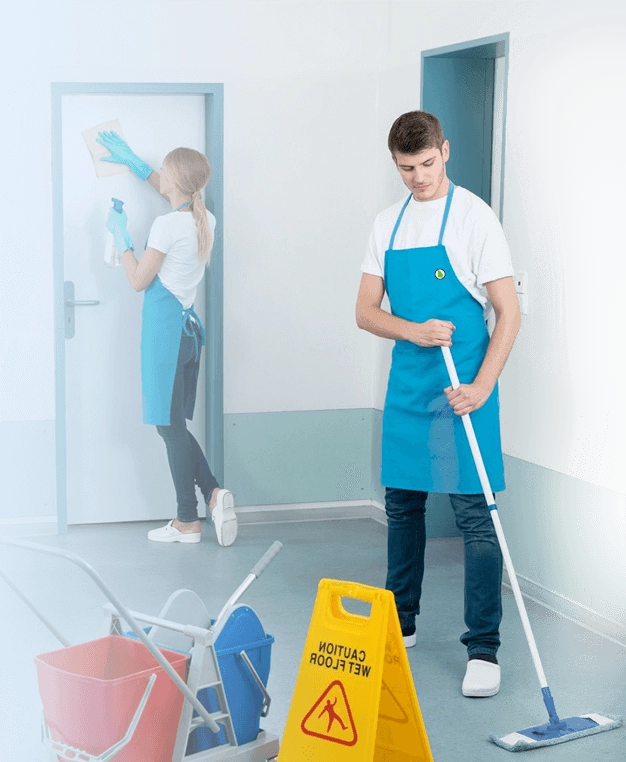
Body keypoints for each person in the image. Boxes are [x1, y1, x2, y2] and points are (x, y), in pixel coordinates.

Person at [356, 111, 520, 698]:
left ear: (444, 151)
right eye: (406, 168)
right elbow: (366, 311)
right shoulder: (387, 224)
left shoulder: (475, 218)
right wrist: (413, 330)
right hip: (408, 388)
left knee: (477, 520)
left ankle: (484, 649)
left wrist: (481, 387)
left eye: (427, 164)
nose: (419, 178)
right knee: (402, 508)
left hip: (464, 391)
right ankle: (401, 623)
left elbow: (509, 312)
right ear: (394, 163)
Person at [97, 131, 237, 547]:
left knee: (169, 425)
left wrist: (121, 239)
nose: (162, 179)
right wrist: (133, 160)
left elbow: (139, 280)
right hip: (187, 332)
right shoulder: (202, 218)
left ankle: (188, 520)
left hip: (164, 333)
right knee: (172, 424)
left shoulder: (166, 225)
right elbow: (164, 185)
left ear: (177, 182)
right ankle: (209, 494)